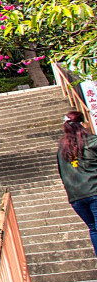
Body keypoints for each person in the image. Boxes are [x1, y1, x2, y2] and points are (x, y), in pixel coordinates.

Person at [58, 110, 97, 258]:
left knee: (93, 229)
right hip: (94, 190)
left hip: (76, 196)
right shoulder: (93, 141)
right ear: (83, 124)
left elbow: (62, 172)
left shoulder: (62, 148)